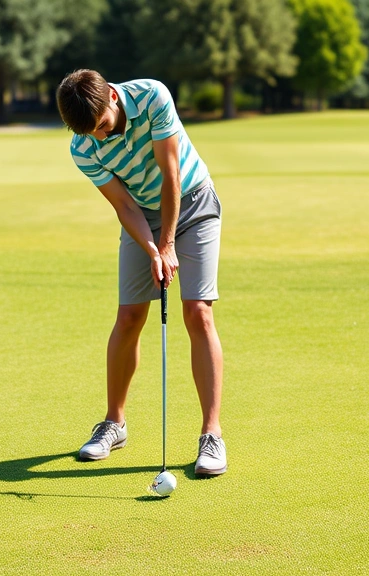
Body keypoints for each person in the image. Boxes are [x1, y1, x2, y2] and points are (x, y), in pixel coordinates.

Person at [56, 69, 227, 476]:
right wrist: (151, 248)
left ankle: (212, 435)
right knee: (130, 315)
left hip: (194, 202)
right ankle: (114, 423)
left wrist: (167, 246)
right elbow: (125, 207)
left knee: (197, 311)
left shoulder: (152, 97)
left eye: (101, 126)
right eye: (88, 133)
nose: (98, 138)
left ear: (112, 98)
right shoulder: (84, 147)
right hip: (141, 216)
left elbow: (172, 175)